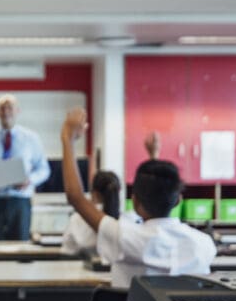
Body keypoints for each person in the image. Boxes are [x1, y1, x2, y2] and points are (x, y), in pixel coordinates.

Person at [60, 108, 216, 290]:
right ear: (177, 200)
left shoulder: (126, 237)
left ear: (135, 202)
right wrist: (154, 155)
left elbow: (76, 197)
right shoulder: (204, 244)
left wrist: (67, 138)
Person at [61, 133, 158, 255]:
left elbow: (66, 251)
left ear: (94, 194)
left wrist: (68, 137)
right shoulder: (130, 221)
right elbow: (154, 194)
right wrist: (153, 155)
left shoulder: (81, 220)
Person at [0, 94, 51, 240]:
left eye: (10, 108)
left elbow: (44, 169)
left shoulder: (31, 138)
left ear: (17, 111)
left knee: (21, 250)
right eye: (2, 108)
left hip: (20, 202)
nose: (6, 111)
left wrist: (29, 180)